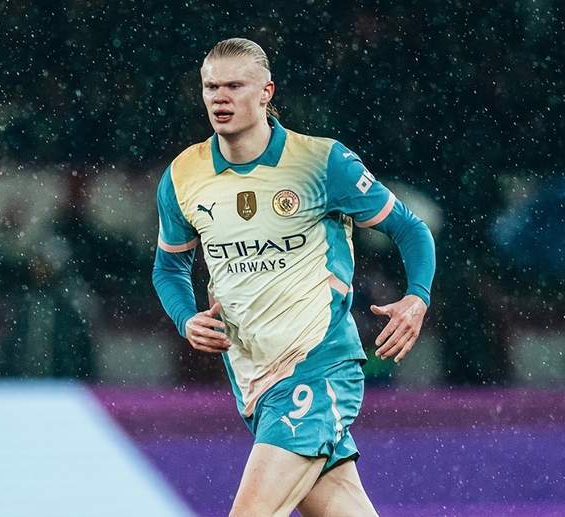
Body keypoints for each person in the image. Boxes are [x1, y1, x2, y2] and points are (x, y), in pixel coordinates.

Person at [152, 37, 435, 517]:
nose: (220, 98)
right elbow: (169, 266)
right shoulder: (183, 175)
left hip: (318, 365)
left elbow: (410, 228)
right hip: (254, 379)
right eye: (211, 87)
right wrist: (186, 318)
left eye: (235, 86)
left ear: (266, 92)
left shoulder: (322, 162)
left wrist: (417, 297)